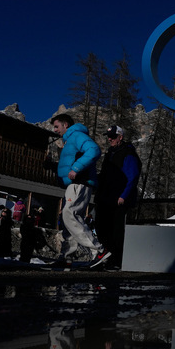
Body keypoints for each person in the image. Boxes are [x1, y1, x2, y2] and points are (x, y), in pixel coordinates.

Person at [49, 113, 110, 267]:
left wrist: (76, 168)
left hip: (79, 182)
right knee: (69, 218)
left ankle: (99, 250)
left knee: (70, 214)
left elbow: (94, 150)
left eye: (57, 126)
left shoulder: (76, 135)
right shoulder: (70, 140)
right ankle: (67, 257)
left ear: (65, 125)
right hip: (73, 184)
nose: (55, 130)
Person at [95, 125, 140, 270]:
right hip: (106, 198)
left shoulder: (128, 153)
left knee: (116, 231)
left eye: (113, 137)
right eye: (108, 137)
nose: (109, 139)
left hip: (118, 199)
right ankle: (108, 257)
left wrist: (123, 196)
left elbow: (132, 177)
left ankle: (116, 260)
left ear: (120, 137)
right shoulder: (110, 153)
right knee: (102, 228)